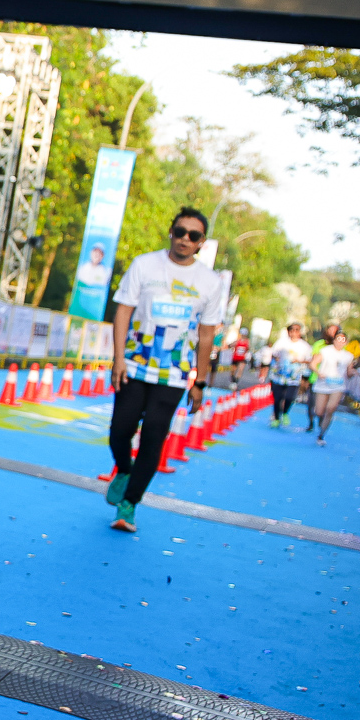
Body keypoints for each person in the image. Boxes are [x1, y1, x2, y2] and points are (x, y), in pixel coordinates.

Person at [104, 207, 222, 533]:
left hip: (174, 374)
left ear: (201, 242)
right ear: (171, 232)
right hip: (134, 365)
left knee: (154, 436)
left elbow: (207, 335)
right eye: (180, 232)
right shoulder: (144, 264)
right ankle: (124, 469)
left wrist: (200, 382)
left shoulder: (210, 282)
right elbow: (123, 311)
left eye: (193, 236)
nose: (185, 239)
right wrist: (118, 358)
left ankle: (129, 504)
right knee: (120, 430)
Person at [306, 324, 352, 446]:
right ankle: (320, 420)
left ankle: (321, 434)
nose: (340, 342)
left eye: (343, 340)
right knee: (319, 411)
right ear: (334, 340)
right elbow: (313, 364)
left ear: (346, 342)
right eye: (338, 339)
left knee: (331, 408)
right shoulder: (325, 351)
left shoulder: (348, 356)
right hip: (323, 384)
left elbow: (349, 372)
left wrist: (353, 372)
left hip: (338, 386)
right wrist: (318, 373)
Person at [266, 323, 311, 428]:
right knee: (277, 398)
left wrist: (299, 361)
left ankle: (285, 412)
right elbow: (274, 354)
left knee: (290, 397)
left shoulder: (304, 346)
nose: (294, 332)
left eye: (297, 330)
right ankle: (276, 418)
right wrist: (276, 359)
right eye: (292, 330)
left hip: (294, 377)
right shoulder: (281, 343)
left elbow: (309, 360)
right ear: (288, 332)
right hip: (279, 375)